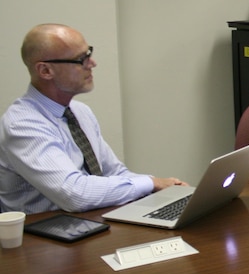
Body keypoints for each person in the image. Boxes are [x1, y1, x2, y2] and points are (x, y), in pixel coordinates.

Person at [0, 24, 187, 214]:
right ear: (45, 71)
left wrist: (164, 189)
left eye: (88, 53)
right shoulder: (22, 125)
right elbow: (75, 194)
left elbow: (114, 173)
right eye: (81, 59)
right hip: (39, 236)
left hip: (87, 222)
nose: (92, 63)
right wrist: (151, 183)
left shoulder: (80, 112)